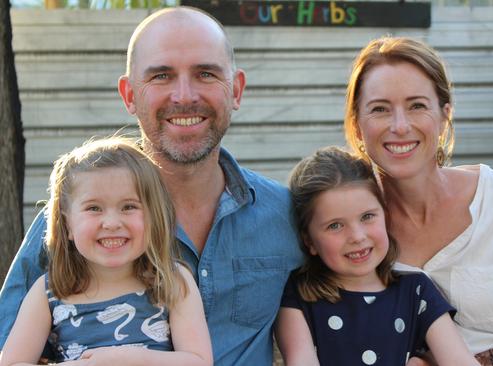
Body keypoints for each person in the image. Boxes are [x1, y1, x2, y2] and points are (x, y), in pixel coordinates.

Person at [0, 7, 302, 365]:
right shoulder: (71, 223)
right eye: (162, 76)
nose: (184, 96)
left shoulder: (286, 215)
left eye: (206, 73)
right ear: (129, 95)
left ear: (235, 89)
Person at [343, 36, 493, 365]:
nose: (399, 126)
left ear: (444, 116)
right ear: (357, 123)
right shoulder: (345, 228)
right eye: (380, 109)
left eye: (417, 106)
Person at [0, 137, 212, 366]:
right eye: (94, 208)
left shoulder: (172, 281)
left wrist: (129, 359)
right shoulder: (49, 292)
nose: (111, 223)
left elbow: (199, 361)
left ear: (153, 216)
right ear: (68, 224)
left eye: (128, 207)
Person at [275, 146, 479, 366]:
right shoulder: (297, 296)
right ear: (309, 241)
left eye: (367, 217)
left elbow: (459, 360)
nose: (357, 236)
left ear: (385, 215)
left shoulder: (417, 291)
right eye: (335, 225)